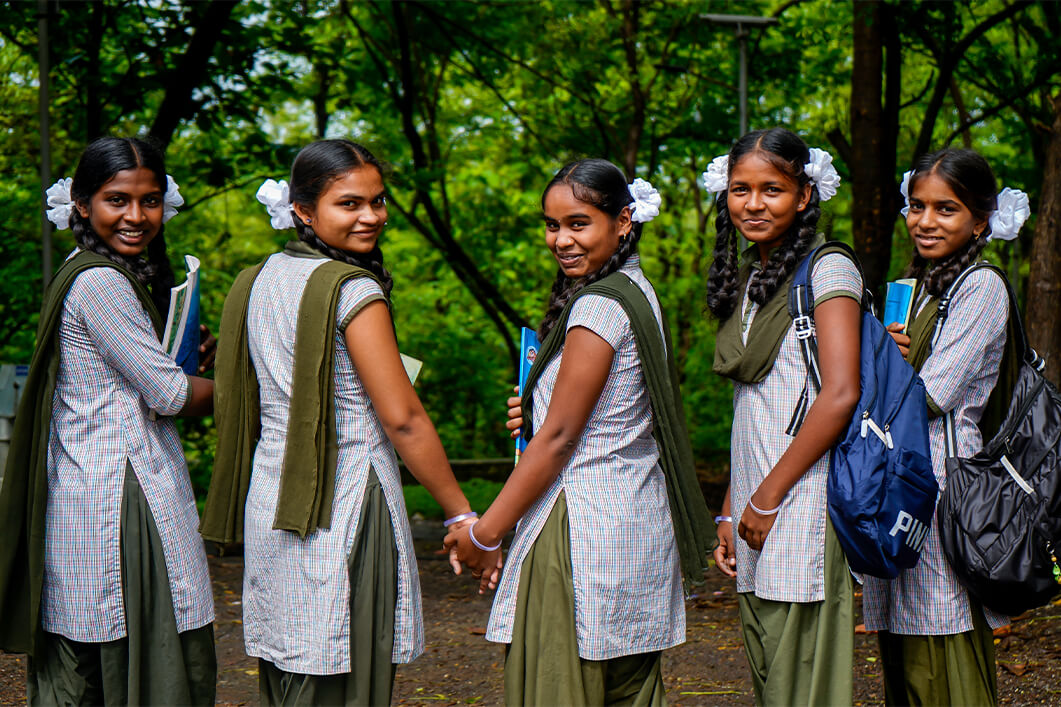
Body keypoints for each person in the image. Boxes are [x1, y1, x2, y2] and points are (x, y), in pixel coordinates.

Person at [201, 138, 476, 706]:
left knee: (293, 659)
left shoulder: (258, 280)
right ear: (302, 210)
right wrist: (460, 512)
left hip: (274, 493)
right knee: (348, 668)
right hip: (347, 496)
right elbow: (402, 419)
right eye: (349, 204)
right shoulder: (353, 289)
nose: (371, 216)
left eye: (377, 202)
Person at [445, 158, 713, 706]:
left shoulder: (598, 306)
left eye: (578, 223)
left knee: (556, 685)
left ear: (623, 221)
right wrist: (541, 411)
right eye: (552, 224)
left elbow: (561, 437)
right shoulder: (638, 290)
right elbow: (609, 412)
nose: (561, 239)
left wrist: (485, 533)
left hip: (583, 530)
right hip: (637, 522)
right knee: (628, 691)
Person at [0, 136, 217, 705]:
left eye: (148, 201)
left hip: (89, 491)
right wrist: (259, 380)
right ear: (81, 203)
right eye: (117, 200)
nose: (136, 217)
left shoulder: (88, 269)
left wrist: (193, 358)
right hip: (119, 500)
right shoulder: (101, 283)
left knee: (90, 657)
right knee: (135, 655)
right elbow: (170, 395)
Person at [863, 148, 1030, 706]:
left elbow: (931, 396)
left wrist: (879, 363)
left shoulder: (981, 286)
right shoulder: (924, 283)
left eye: (946, 209)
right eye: (916, 206)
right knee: (905, 647)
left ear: (980, 220)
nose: (925, 221)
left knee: (942, 644)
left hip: (942, 484)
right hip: (904, 478)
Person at [703, 128, 860, 706]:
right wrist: (730, 504)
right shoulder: (749, 279)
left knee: (804, 686)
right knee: (772, 680)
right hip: (754, 509)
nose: (753, 203)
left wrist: (765, 498)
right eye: (740, 189)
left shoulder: (828, 270)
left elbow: (839, 394)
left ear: (804, 196)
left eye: (772, 189)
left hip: (802, 508)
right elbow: (755, 406)